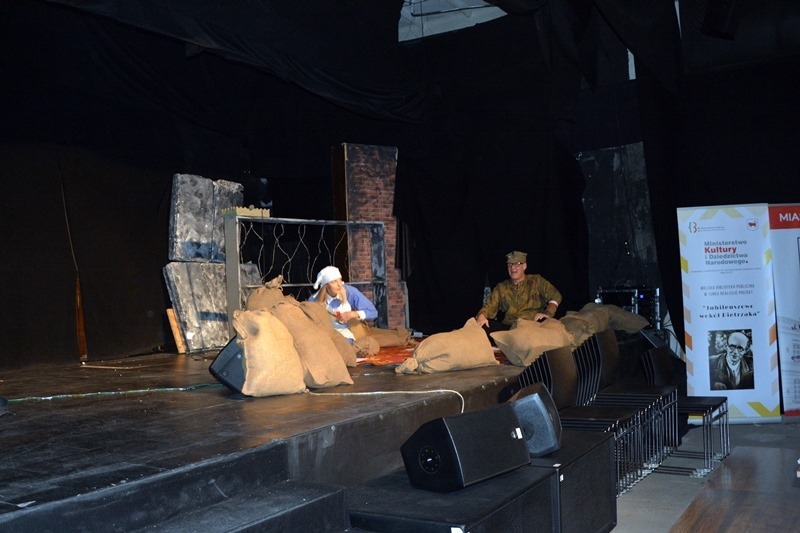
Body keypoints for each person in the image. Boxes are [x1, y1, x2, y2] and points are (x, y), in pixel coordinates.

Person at [475, 250, 562, 333]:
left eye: (517, 264)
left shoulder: (536, 281)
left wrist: (548, 313)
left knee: (552, 328)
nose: (512, 268)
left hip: (533, 326)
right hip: (510, 326)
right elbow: (490, 306)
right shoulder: (501, 287)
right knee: (481, 326)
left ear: (524, 266)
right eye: (509, 264)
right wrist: (482, 315)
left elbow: (555, 296)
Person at [309, 265, 378, 343]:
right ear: (326, 285)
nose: (339, 285)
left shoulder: (351, 292)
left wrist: (353, 314)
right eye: (334, 282)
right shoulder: (314, 299)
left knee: (345, 343)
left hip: (347, 331)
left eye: (340, 280)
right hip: (325, 333)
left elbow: (373, 312)